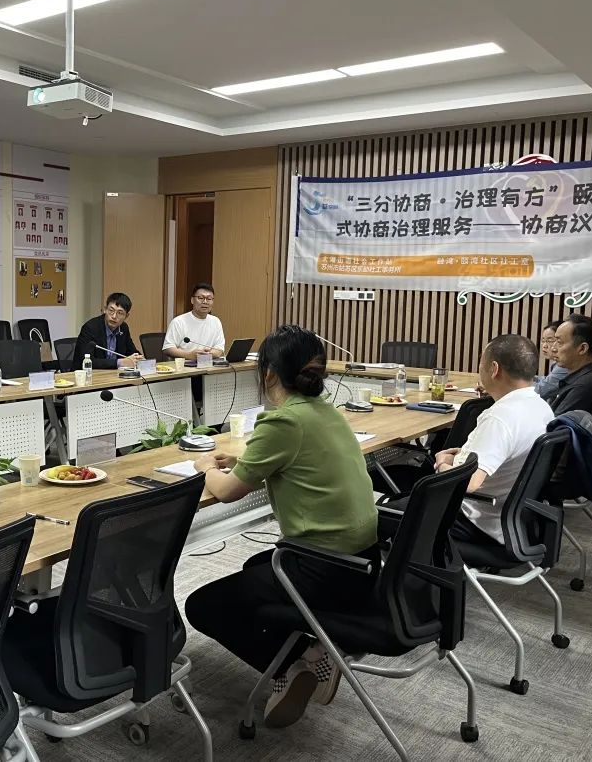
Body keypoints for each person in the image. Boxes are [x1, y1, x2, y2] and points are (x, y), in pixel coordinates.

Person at [185, 325, 378, 729]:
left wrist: (204, 467)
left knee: (202, 605)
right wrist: (243, 463)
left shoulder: (283, 422)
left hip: (322, 566)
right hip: (363, 560)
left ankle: (292, 666)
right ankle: (316, 650)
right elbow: (294, 459)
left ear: (269, 373)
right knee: (253, 568)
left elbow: (226, 492)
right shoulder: (327, 412)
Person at [432, 334, 556, 544]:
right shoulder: (542, 407)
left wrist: (442, 463)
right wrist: (462, 458)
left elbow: (468, 483)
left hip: (474, 520)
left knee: (384, 512)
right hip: (514, 520)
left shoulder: (500, 418)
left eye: (481, 362)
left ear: (494, 369)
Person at [541, 314, 592, 422]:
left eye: (559, 342)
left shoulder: (584, 386)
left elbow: (554, 427)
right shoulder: (588, 378)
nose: (553, 348)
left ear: (582, 348)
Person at [72, 292, 142, 370]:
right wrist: (119, 363)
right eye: (111, 310)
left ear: (126, 316)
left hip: (114, 374)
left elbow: (131, 351)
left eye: (120, 313)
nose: (114, 316)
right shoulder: (90, 328)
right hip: (87, 374)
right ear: (105, 309)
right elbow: (87, 361)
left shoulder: (123, 328)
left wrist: (140, 359)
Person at [163, 283, 226, 359]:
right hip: (185, 364)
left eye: (209, 299)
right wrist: (189, 355)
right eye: (201, 298)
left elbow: (219, 349)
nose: (205, 302)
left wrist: (208, 354)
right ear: (192, 300)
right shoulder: (178, 322)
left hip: (208, 363)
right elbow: (168, 348)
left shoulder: (216, 321)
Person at [534, 320, 569, 397]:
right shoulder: (557, 363)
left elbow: (540, 390)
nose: (544, 346)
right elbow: (547, 380)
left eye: (550, 341)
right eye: (543, 341)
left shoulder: (564, 365)